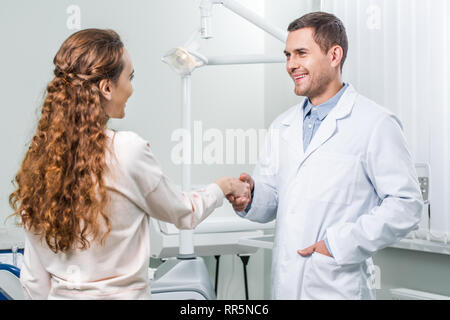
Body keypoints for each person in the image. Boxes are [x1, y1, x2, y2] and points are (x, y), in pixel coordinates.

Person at [9, 29, 250, 300]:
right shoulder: (127, 151)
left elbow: (33, 281)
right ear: (107, 88)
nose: (132, 88)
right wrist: (224, 186)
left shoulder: (40, 164)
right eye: (130, 77)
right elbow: (185, 212)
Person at [227, 12, 423, 299]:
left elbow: (407, 205)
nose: (291, 64)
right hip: (285, 283)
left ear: (334, 55)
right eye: (288, 55)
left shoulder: (375, 123)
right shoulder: (282, 126)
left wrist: (338, 244)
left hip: (336, 283)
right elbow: (275, 202)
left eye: (301, 53)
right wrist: (252, 197)